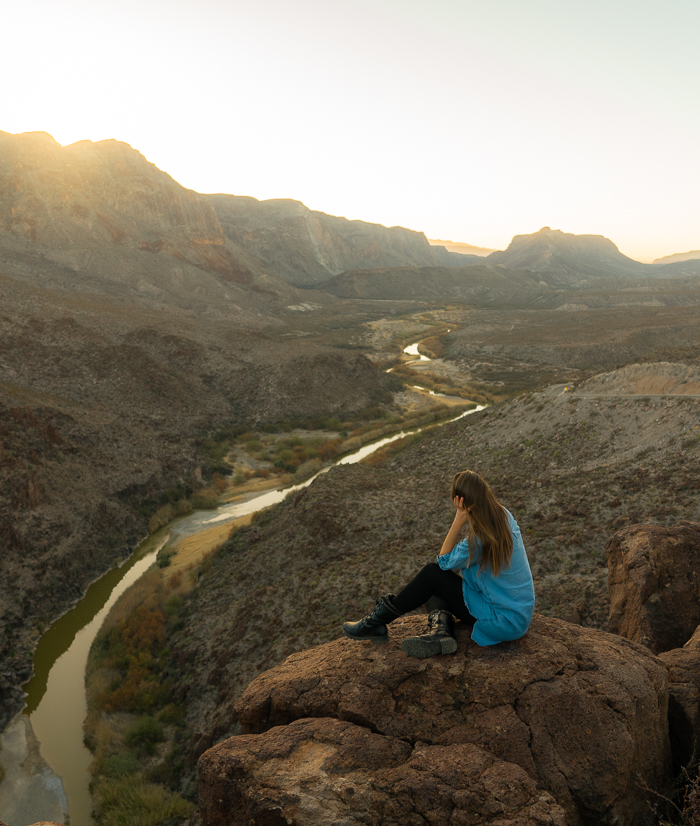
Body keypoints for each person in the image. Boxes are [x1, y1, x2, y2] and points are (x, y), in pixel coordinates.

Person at [342, 470, 535, 658]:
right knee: (436, 585)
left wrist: (458, 520)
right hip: (518, 616)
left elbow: (443, 562)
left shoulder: (478, 540)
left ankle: (376, 623)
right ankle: (441, 631)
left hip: (500, 622)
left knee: (431, 574)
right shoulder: (503, 515)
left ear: (462, 503)